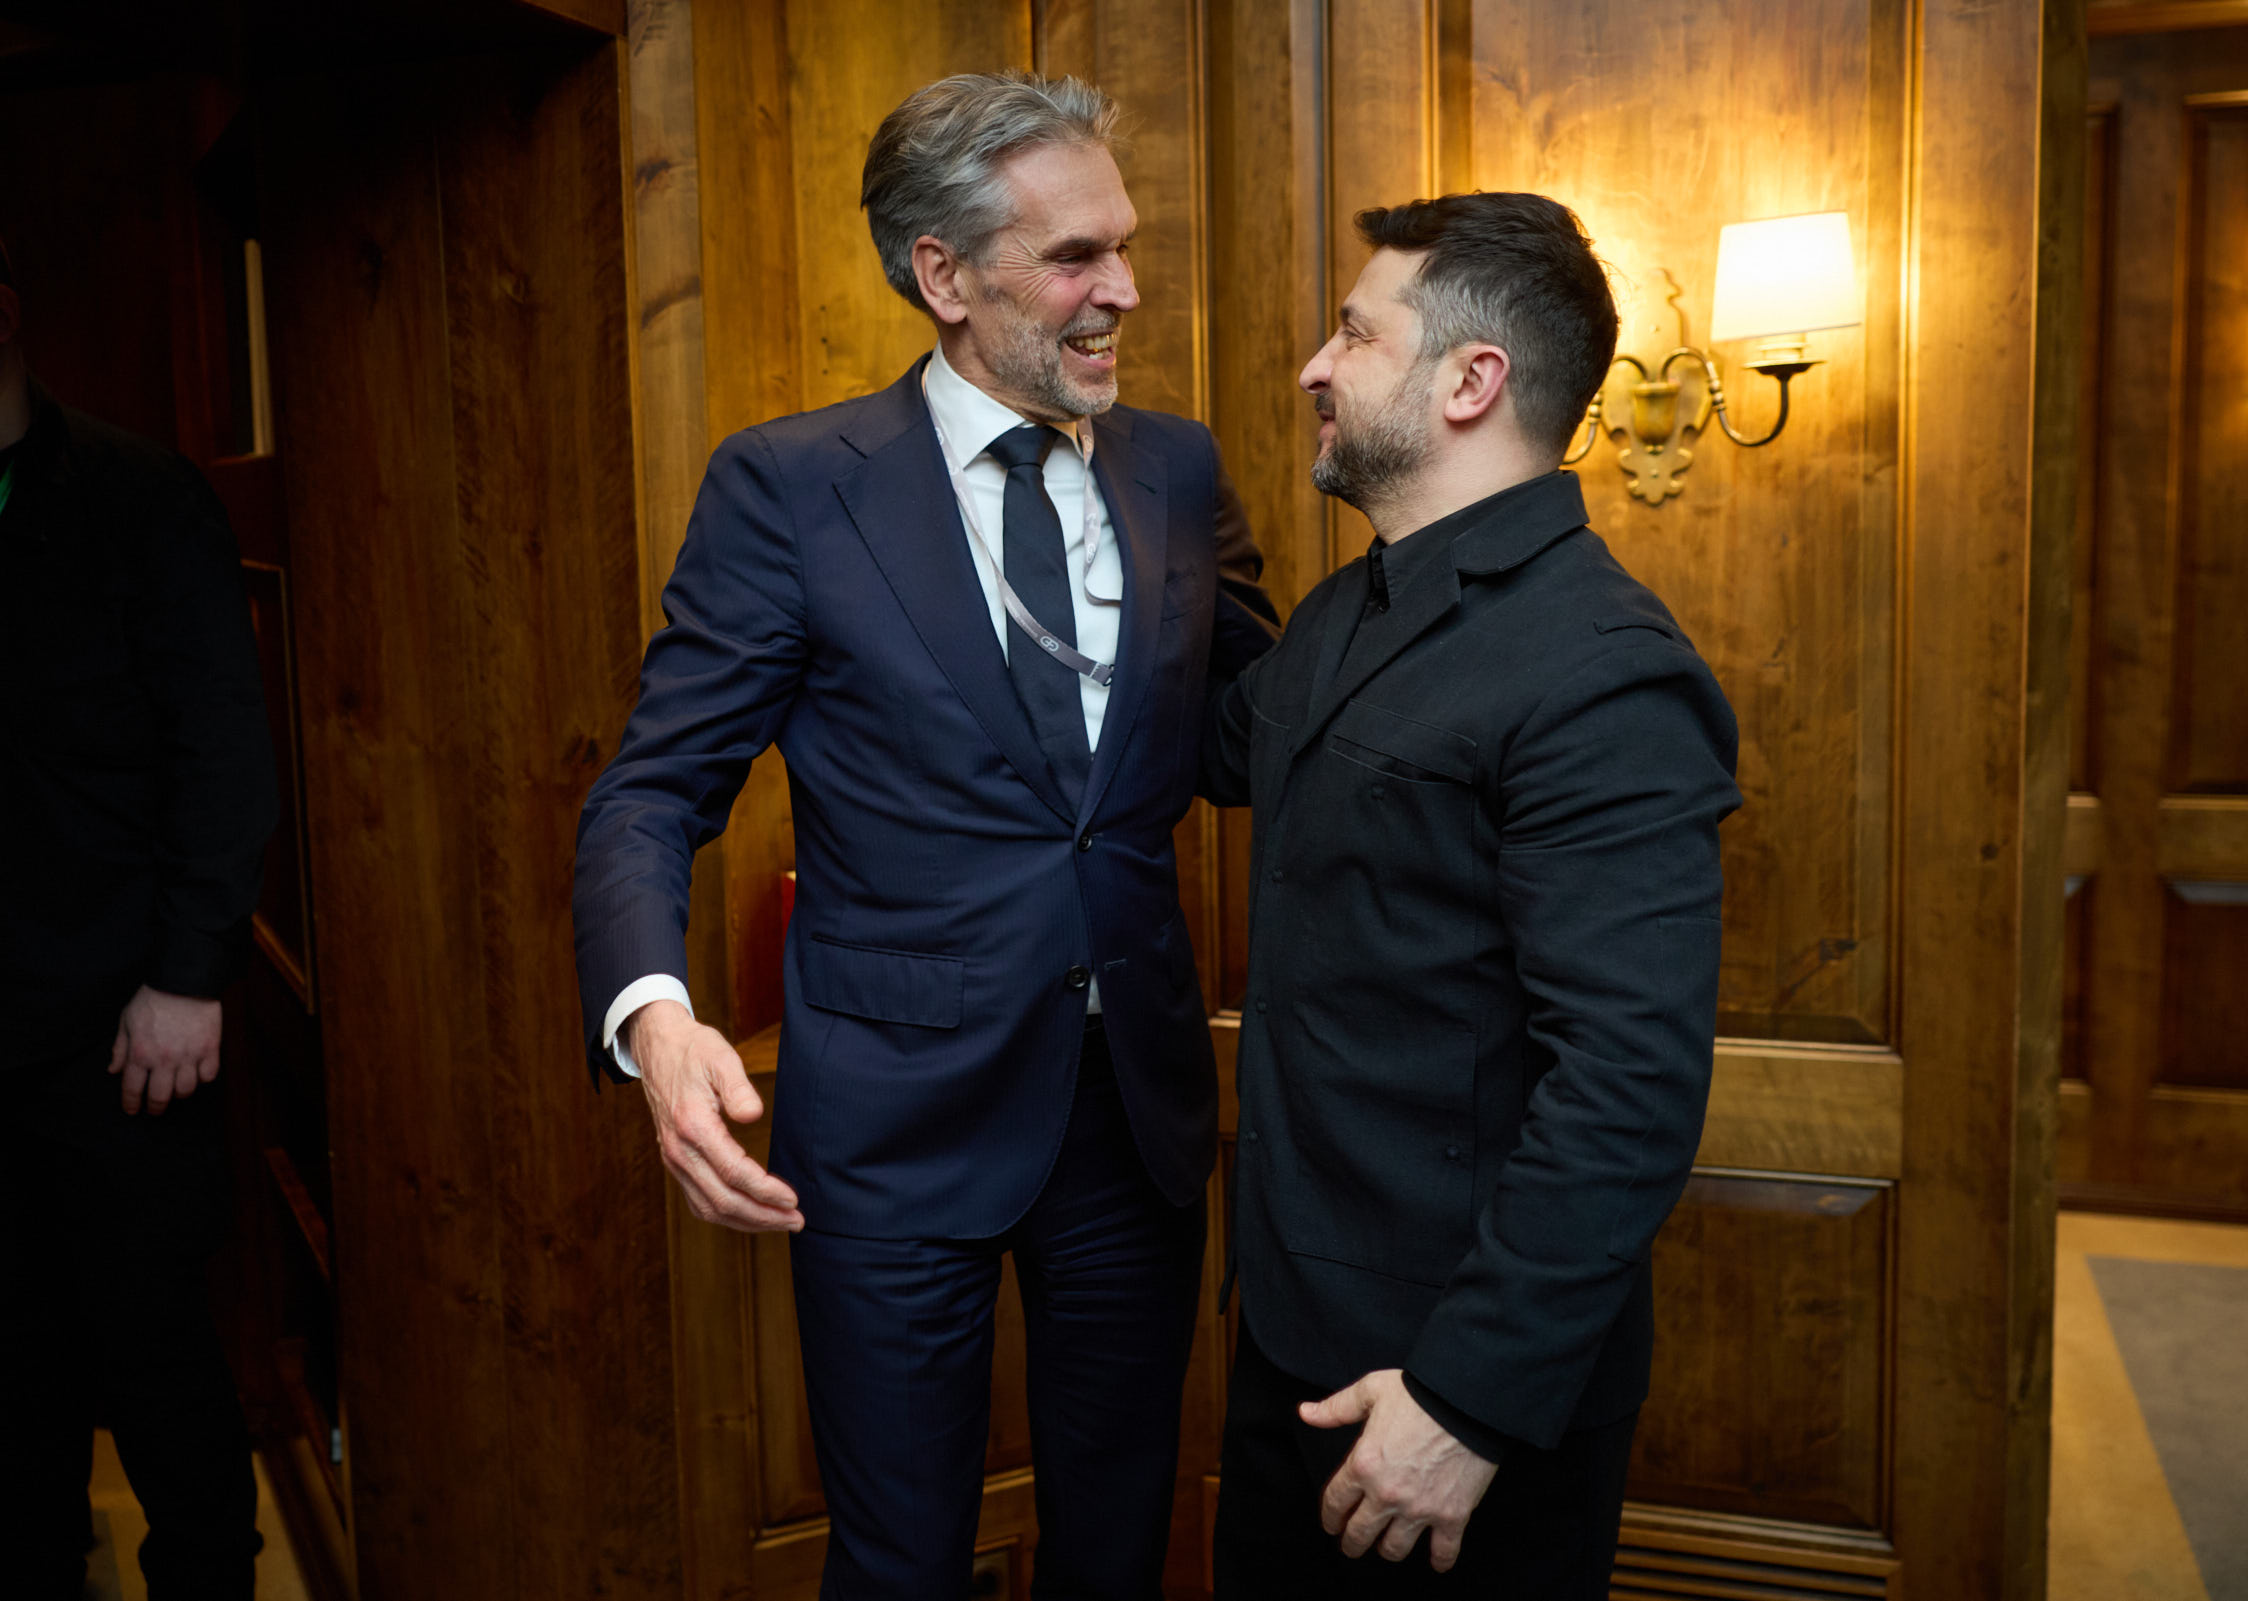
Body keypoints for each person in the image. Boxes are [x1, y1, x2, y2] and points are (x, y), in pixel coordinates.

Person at [572, 72, 1279, 1600]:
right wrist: (655, 1014)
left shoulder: (1177, 469)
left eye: (1125, 245)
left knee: (1119, 1547)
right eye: (1076, 256)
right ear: (943, 274)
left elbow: (1262, 724)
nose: (1124, 289)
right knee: (898, 1563)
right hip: (892, 1127)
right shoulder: (791, 488)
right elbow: (652, 789)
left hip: (1135, 1117)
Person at [1201, 192, 1742, 1596]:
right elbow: (1203, 745)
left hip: (1450, 1391)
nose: (1315, 366)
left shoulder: (1605, 668)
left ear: (1470, 380)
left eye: (1354, 333)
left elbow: (1627, 1082)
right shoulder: (1345, 609)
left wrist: (1467, 1402)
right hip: (1292, 1333)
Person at [0, 236, 278, 1597]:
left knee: (158, 1353)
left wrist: (187, 974)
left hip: (123, 1021)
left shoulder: (139, 495)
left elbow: (223, 751)